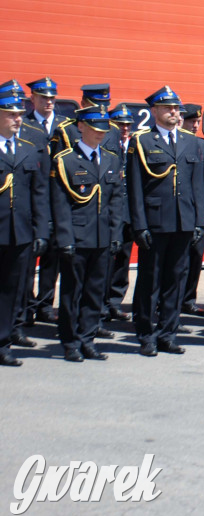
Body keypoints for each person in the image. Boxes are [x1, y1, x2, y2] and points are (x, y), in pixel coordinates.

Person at [126, 87, 204, 357]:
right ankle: (146, 334)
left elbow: (197, 185)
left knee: (176, 280)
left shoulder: (189, 141)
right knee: (150, 280)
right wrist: (139, 224)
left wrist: (199, 220)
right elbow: (135, 187)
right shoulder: (141, 141)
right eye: (168, 108)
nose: (174, 112)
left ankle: (168, 334)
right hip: (155, 221)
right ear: (155, 111)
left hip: (183, 221)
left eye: (176, 109)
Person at [50, 106, 124, 362]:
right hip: (77, 237)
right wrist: (65, 238)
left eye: (103, 129)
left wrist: (116, 234)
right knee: (72, 292)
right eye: (94, 128)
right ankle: (70, 342)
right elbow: (60, 204)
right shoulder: (65, 160)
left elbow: (116, 201)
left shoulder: (111, 160)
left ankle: (88, 339)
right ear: (81, 127)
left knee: (95, 292)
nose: (100, 133)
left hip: (102, 238)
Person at [0, 89, 49, 367]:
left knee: (11, 290)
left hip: (19, 233)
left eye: (19, 114)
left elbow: (39, 194)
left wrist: (41, 231)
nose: (18, 119)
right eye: (11, 114)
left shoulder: (28, 149)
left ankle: (3, 343)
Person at [18, 77, 58, 328]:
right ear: (32, 99)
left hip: (58, 198)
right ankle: (26, 305)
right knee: (27, 260)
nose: (49, 102)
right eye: (44, 98)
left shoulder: (65, 125)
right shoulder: (24, 125)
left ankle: (45, 305)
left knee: (52, 258)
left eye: (52, 98)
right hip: (33, 199)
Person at [104, 103, 135, 323]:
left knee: (123, 259)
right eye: (120, 124)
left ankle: (115, 302)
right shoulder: (107, 145)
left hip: (129, 211)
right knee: (106, 260)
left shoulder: (134, 145)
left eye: (127, 125)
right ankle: (101, 303)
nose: (124, 128)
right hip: (111, 212)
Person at [179, 103, 204, 318]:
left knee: (196, 257)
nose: (195, 126)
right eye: (191, 121)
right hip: (180, 210)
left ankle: (188, 299)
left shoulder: (203, 145)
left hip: (199, 210)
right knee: (177, 260)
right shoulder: (177, 144)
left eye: (198, 122)